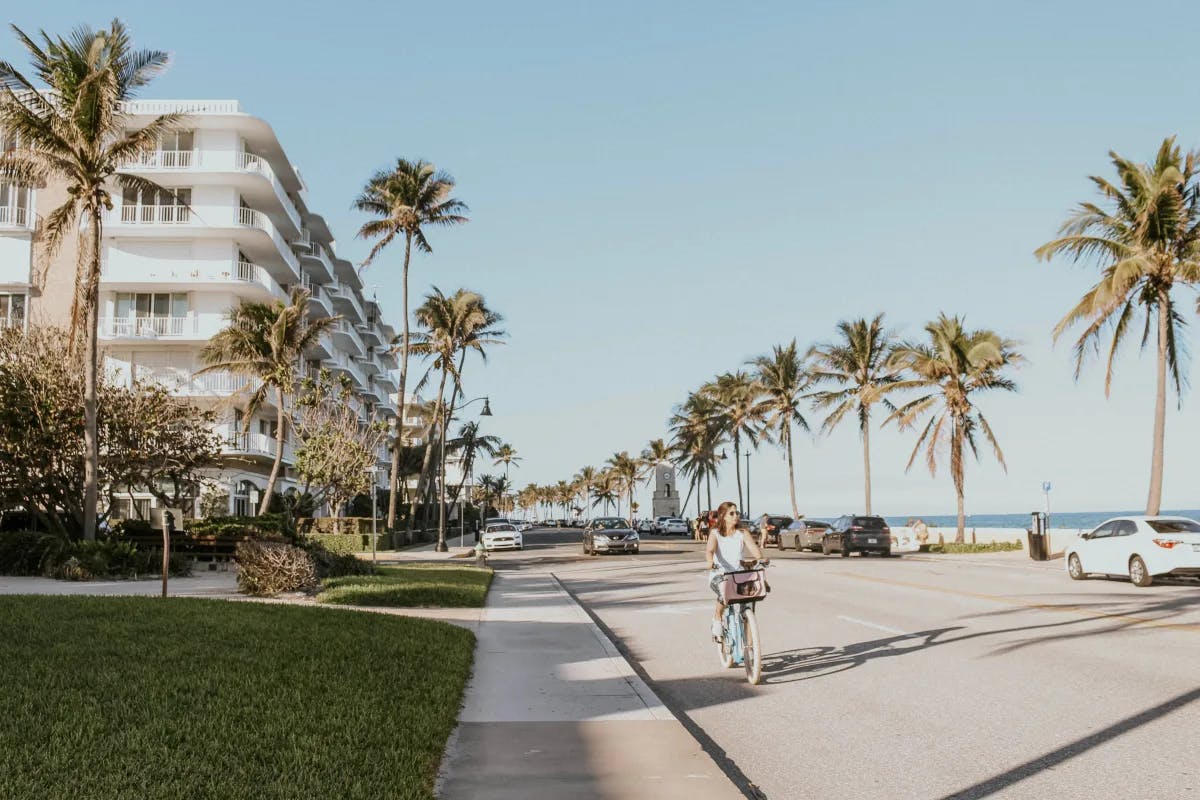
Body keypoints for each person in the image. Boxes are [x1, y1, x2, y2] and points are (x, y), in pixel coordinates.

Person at [704, 501, 767, 641]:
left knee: (749, 605)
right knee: (724, 593)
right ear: (723, 516)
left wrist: (760, 559)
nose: (735, 516)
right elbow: (709, 550)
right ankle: (717, 618)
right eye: (731, 513)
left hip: (739, 575)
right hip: (720, 574)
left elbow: (755, 549)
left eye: (736, 513)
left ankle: (750, 647)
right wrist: (710, 562)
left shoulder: (742, 533)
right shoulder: (715, 533)